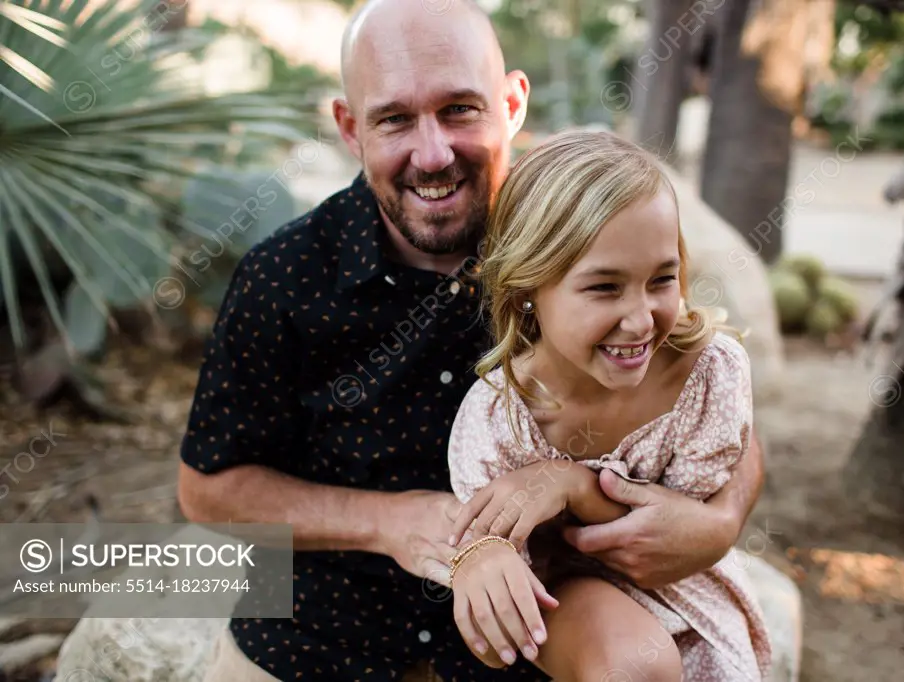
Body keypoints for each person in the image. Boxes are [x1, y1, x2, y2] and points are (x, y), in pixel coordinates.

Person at [176, 0, 766, 679]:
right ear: (349, 126)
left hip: (538, 633)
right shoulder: (284, 276)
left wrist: (719, 523)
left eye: (460, 109)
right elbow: (208, 490)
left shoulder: (580, 231)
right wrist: (387, 523)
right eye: (395, 118)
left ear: (511, 103)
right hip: (319, 632)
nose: (433, 153)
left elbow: (709, 400)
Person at [444, 130, 772, 681]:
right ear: (529, 286)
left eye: (661, 279)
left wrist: (569, 484)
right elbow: (491, 628)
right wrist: (484, 565)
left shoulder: (708, 373)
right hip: (570, 601)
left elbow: (661, 539)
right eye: (604, 288)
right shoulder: (499, 419)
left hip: (683, 590)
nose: (641, 319)